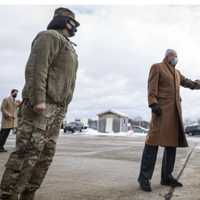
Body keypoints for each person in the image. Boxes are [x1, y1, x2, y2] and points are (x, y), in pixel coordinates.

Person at [0, 7, 79, 200]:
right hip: (42, 106)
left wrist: (64, 108)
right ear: (62, 21)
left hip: (57, 109)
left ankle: (28, 193)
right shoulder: (49, 36)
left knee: (45, 154)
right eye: (72, 22)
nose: (74, 27)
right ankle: (8, 194)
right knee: (27, 151)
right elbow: (37, 68)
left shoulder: (70, 47)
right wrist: (39, 100)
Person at [138, 49, 200, 192]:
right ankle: (144, 178)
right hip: (161, 111)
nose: (176, 58)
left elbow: (188, 83)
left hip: (175, 113)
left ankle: (167, 176)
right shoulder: (157, 67)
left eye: (177, 56)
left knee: (171, 145)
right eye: (174, 56)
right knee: (152, 144)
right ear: (167, 56)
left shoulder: (177, 73)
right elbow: (151, 86)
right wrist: (153, 103)